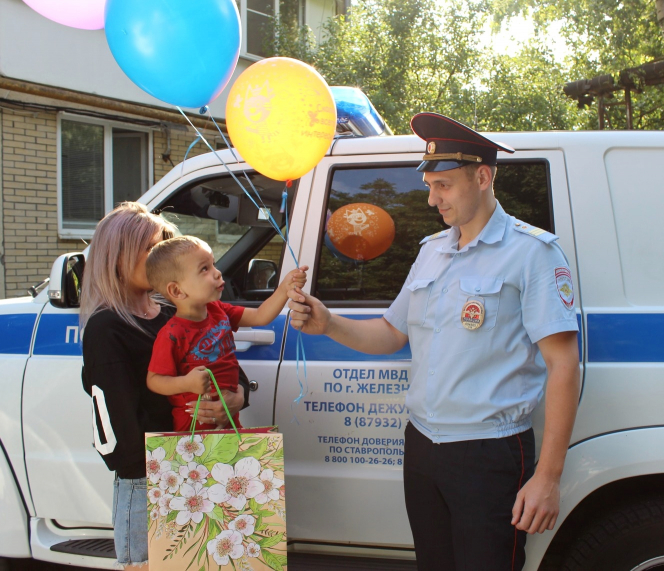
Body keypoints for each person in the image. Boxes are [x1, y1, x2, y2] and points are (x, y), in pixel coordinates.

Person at [287, 113, 581, 571]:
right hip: (422, 448)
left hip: (488, 452)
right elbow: (391, 333)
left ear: (482, 177)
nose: (431, 199)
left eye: (442, 185)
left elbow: (563, 364)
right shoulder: (431, 251)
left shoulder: (532, 253)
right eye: (429, 186)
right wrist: (328, 323)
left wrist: (548, 477)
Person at [80, 202, 248, 571]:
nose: (162, 254)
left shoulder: (176, 313)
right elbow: (116, 419)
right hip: (150, 480)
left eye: (165, 244)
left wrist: (235, 399)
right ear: (118, 256)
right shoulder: (106, 327)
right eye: (151, 247)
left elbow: (225, 370)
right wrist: (161, 478)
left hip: (197, 466)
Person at [145, 235, 307, 431]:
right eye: (204, 269)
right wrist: (186, 383)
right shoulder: (172, 334)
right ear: (177, 290)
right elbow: (154, 381)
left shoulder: (218, 310)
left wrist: (284, 289)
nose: (217, 273)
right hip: (194, 422)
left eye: (213, 264)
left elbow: (260, 316)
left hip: (228, 415)